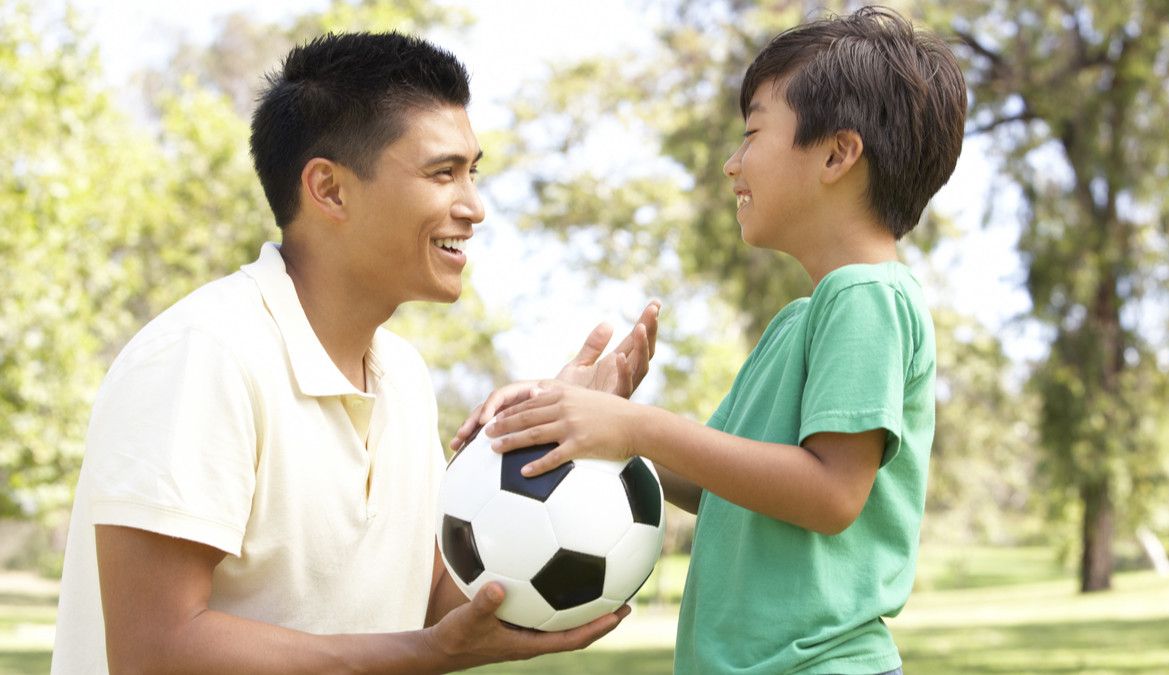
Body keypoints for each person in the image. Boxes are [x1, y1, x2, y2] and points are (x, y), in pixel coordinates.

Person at [51, 31, 660, 673]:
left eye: (472, 172)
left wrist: (552, 450)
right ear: (330, 190)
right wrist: (427, 655)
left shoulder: (403, 376)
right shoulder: (202, 356)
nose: (474, 207)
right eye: (442, 173)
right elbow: (154, 647)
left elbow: (429, 602)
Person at [471, 7, 966, 674]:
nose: (733, 165)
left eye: (753, 133)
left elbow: (829, 494)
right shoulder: (802, 319)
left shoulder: (867, 297)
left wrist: (637, 424)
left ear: (837, 153)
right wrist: (596, 426)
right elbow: (719, 487)